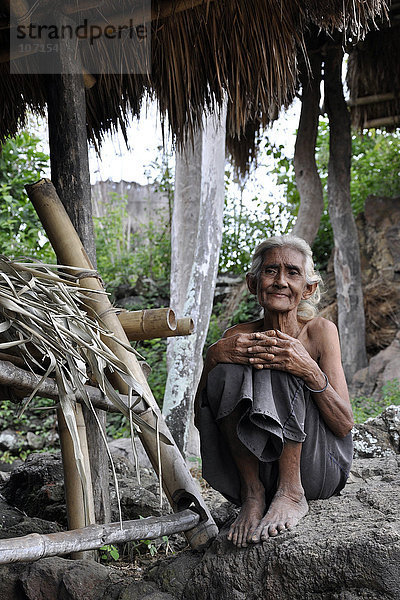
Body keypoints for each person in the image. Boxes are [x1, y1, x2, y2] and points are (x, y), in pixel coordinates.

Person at [194, 234, 354, 548]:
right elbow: (203, 418)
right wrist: (212, 358)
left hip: (316, 466)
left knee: (287, 357)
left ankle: (291, 492)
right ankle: (253, 496)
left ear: (308, 289)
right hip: (258, 469)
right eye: (270, 271)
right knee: (230, 365)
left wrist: (308, 369)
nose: (280, 281)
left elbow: (344, 423)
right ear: (253, 284)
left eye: (292, 272)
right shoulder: (238, 335)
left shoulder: (320, 332)